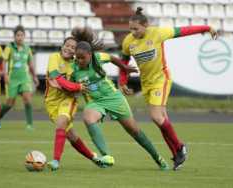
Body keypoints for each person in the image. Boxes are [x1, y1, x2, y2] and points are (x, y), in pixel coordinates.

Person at [118, 7, 218, 170]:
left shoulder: (157, 33)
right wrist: (123, 81)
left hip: (161, 79)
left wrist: (206, 28)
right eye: (131, 29)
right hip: (147, 84)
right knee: (161, 120)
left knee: (156, 117)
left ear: (146, 25)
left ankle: (179, 147)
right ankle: (178, 155)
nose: (133, 32)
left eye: (136, 29)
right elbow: (124, 63)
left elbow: (183, 31)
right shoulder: (129, 41)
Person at [69, 41, 169, 170]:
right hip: (95, 102)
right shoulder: (73, 69)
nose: (80, 60)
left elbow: (112, 58)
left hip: (114, 99)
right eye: (78, 58)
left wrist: (124, 68)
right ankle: (107, 156)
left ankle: (158, 158)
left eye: (83, 58)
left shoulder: (98, 58)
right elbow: (71, 87)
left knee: (134, 131)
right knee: (88, 118)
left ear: (90, 54)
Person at [45, 36, 109, 171]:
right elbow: (57, 78)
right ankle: (94, 158)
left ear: (76, 52)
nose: (68, 48)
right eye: (67, 45)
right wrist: (76, 86)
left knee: (62, 122)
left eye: (73, 47)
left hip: (68, 100)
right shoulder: (54, 58)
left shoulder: (76, 65)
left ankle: (56, 161)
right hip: (51, 103)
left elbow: (70, 85)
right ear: (62, 46)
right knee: (71, 135)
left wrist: (73, 87)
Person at [0, 25, 39, 130]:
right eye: (17, 35)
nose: (19, 37)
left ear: (24, 36)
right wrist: (5, 75)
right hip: (12, 79)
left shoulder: (27, 48)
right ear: (14, 36)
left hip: (25, 78)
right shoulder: (9, 47)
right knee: (10, 103)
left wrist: (34, 76)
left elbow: (30, 64)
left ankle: (29, 125)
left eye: (21, 35)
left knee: (27, 99)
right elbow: (3, 61)